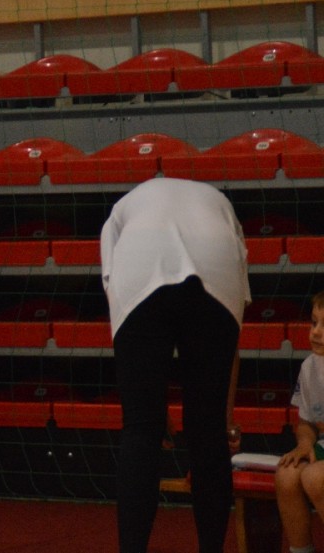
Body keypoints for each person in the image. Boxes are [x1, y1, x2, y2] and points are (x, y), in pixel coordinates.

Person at [100, 177, 251, 553]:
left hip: (140, 252)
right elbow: (231, 343)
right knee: (209, 431)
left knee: (140, 429)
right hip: (215, 248)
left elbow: (120, 300)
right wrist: (225, 418)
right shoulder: (221, 206)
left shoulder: (123, 210)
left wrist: (151, 407)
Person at [276, 290, 324, 553]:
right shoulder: (309, 367)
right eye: (314, 322)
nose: (316, 332)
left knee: (315, 477)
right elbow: (306, 422)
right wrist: (305, 443)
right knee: (286, 474)